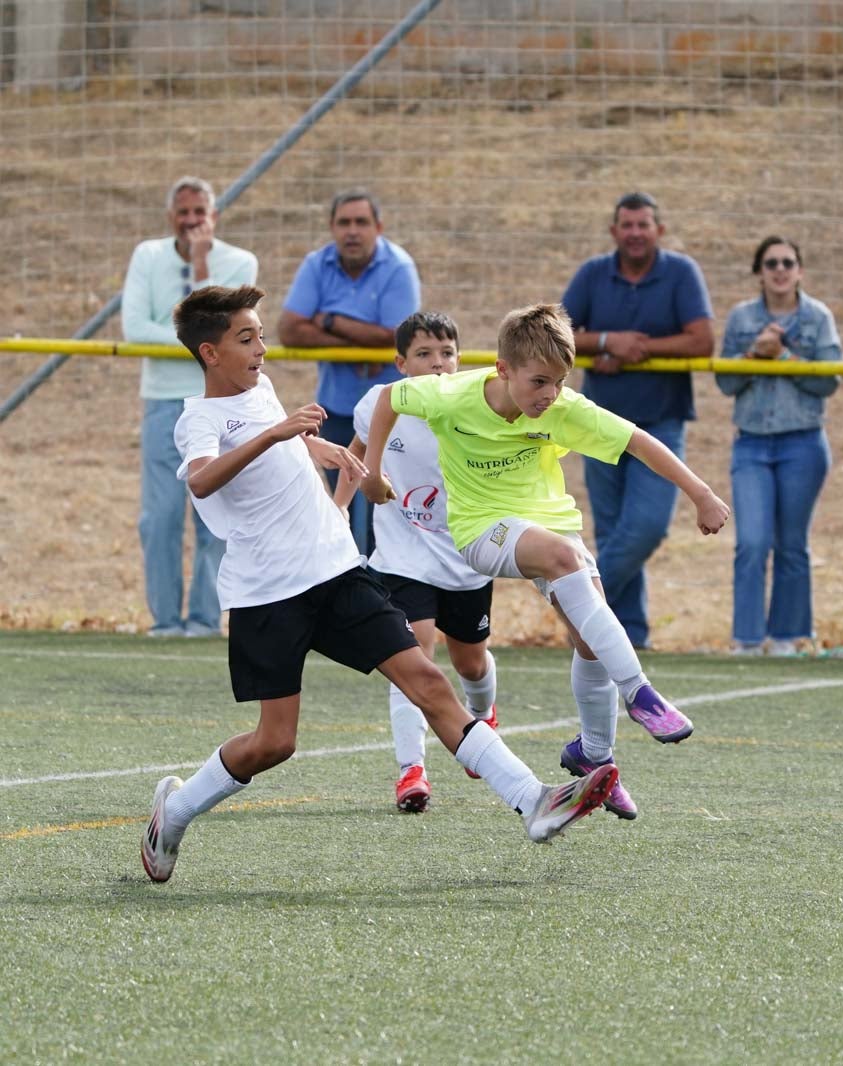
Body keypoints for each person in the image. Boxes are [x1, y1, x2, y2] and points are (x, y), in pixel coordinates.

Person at [141, 286, 617, 884]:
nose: (261, 347)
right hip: (268, 593)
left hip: (337, 571)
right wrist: (278, 434)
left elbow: (276, 446)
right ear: (210, 353)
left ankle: (534, 800)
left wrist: (316, 446)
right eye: (246, 338)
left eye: (261, 334)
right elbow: (203, 479)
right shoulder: (199, 418)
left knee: (428, 680)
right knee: (275, 742)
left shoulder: (259, 389)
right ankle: (175, 811)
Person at [360, 303, 731, 820]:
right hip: (480, 530)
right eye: (539, 382)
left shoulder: (560, 407)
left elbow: (638, 441)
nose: (550, 394)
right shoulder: (452, 394)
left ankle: (594, 754)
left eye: (559, 382)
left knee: (589, 637)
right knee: (562, 557)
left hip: (550, 524)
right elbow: (387, 398)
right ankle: (639, 692)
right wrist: (371, 472)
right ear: (503, 370)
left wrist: (701, 494)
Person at [332, 312, 499, 813]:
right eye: (424, 354)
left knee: (470, 661)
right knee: (413, 656)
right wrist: (337, 510)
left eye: (447, 353)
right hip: (402, 559)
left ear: (459, 359)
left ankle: (482, 713)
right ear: (401, 363)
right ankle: (411, 770)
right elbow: (356, 457)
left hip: (465, 559)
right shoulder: (379, 404)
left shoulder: (480, 405)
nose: (437, 363)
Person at [560, 192, 715, 649]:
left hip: (661, 420)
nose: (634, 233)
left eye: (643, 225)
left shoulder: (681, 272)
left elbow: (702, 340)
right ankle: (626, 636)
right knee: (612, 530)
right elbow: (558, 332)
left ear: (659, 230)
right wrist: (607, 341)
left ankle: (580, 604)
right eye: (626, 225)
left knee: (646, 526)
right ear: (614, 231)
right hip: (598, 422)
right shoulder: (593, 273)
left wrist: (638, 350)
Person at [122, 176, 258, 638]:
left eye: (199, 212)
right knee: (159, 517)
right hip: (163, 401)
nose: (191, 220)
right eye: (183, 212)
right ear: (170, 217)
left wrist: (201, 267)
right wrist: (200, 342)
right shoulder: (148, 255)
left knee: (216, 518)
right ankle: (164, 621)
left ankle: (203, 619)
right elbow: (135, 328)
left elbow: (226, 334)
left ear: (214, 216)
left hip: (220, 402)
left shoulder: (240, 261)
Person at [714, 236, 842, 655]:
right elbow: (725, 381)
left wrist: (783, 355)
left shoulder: (818, 317)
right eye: (771, 263)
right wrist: (755, 352)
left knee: (792, 544)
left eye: (788, 262)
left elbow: (829, 381)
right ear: (759, 272)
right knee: (752, 542)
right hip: (752, 443)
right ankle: (748, 639)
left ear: (800, 270)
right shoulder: (741, 317)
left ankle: (787, 636)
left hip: (803, 441)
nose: (780, 270)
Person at [277, 189, 421, 554]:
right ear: (331, 227)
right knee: (339, 515)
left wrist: (330, 320)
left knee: (383, 517)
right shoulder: (316, 264)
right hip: (336, 412)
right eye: (344, 222)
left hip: (390, 415)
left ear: (378, 227)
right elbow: (289, 330)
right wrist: (360, 346)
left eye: (361, 222)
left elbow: (397, 336)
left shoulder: (398, 267)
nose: (352, 231)